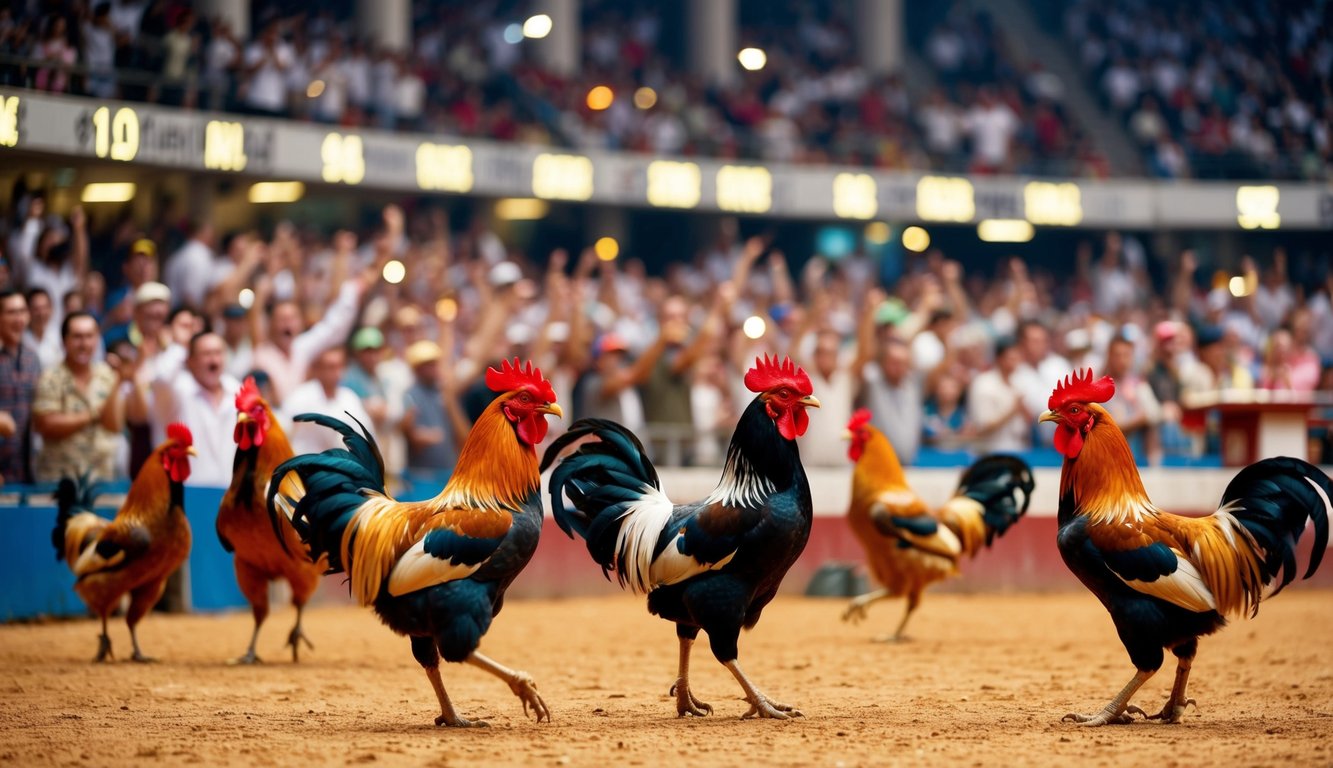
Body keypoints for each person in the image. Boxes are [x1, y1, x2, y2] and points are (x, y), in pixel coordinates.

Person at [132, 331, 240, 488]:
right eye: (206, 354)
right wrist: (179, 346)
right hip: (184, 493)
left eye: (218, 353)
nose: (214, 360)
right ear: (190, 361)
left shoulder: (235, 388)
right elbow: (161, 378)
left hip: (228, 493)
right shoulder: (177, 391)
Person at [251, 271, 368, 408]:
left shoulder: (302, 347)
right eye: (282, 320)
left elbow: (333, 328)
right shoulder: (262, 354)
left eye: (293, 319)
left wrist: (351, 291)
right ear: (271, 325)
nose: (288, 324)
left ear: (301, 323)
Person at [32, 312, 127, 481]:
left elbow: (114, 425)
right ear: (64, 341)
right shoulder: (51, 377)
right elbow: (46, 424)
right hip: (59, 480)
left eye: (90, 336)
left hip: (100, 479)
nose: (84, 344)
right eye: (77, 337)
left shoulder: (107, 375)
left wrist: (118, 379)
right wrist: (92, 414)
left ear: (97, 339)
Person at [400, 340, 470, 486]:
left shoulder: (444, 393)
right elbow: (409, 433)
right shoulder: (409, 395)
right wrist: (417, 435)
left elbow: (462, 433)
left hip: (448, 473)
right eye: (427, 365)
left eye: (434, 363)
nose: (433, 368)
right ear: (417, 369)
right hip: (421, 475)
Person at [281, 347, 374, 456]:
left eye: (339, 366)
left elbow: (366, 434)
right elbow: (284, 429)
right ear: (318, 369)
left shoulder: (349, 398)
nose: (336, 372)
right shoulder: (300, 397)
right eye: (331, 367)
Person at [860, 336, 923, 464]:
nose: (899, 367)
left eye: (903, 362)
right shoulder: (873, 383)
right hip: (878, 466)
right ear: (882, 363)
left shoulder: (913, 386)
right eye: (894, 362)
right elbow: (863, 353)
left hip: (908, 466)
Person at [1101, 335, 1161, 463]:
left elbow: (1153, 414)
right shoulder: (1099, 387)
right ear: (1109, 356)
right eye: (1117, 355)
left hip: (1137, 456)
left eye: (1126, 355)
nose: (1122, 360)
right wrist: (1136, 420)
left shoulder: (1139, 385)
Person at [966, 337, 1031, 454]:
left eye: (1017, 358)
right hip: (989, 452)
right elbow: (983, 427)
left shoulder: (1020, 381)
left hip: (1018, 449)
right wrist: (1012, 410)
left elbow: (1028, 420)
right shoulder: (983, 383)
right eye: (1011, 358)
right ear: (999, 359)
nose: (1015, 362)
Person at [0, 290, 39, 484]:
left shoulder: (32, 358)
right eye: (11, 312)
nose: (19, 318)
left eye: (23, 311)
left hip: (24, 468)